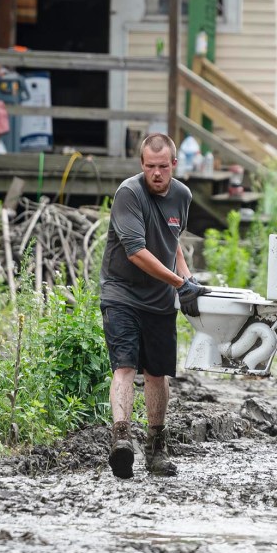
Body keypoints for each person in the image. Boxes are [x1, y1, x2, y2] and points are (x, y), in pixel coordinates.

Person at [100, 133, 207, 479]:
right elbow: (137, 252)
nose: (156, 173)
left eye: (163, 167)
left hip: (160, 300)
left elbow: (172, 243)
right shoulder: (129, 194)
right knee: (125, 366)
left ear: (174, 164)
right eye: (150, 167)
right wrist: (178, 283)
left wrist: (188, 281)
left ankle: (156, 448)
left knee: (157, 373)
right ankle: (122, 440)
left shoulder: (183, 196)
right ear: (141, 165)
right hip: (122, 294)